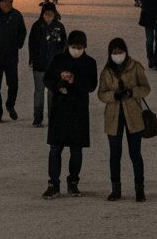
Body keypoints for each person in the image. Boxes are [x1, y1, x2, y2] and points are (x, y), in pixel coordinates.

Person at [43, 30, 98, 198]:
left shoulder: (89, 63)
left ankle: (73, 182)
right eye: (74, 46)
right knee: (55, 149)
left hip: (78, 110)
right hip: (60, 108)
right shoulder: (59, 60)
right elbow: (47, 79)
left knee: (76, 150)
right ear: (68, 46)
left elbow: (92, 85)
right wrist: (59, 84)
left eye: (80, 47)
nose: (77, 50)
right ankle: (53, 183)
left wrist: (75, 81)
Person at [98, 38, 151, 202]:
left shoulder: (135, 67)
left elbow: (146, 88)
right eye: (114, 52)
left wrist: (132, 92)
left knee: (135, 153)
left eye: (120, 52)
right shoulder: (107, 71)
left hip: (133, 115)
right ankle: (116, 189)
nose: (117, 55)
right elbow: (101, 93)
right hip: (113, 116)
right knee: (115, 154)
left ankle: (139, 189)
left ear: (125, 51)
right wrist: (114, 95)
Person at [29, 2, 67, 128]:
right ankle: (37, 118)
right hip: (39, 65)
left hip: (54, 67)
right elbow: (32, 44)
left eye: (51, 13)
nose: (48, 16)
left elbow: (63, 46)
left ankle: (53, 117)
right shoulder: (37, 26)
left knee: (52, 92)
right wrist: (32, 58)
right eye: (46, 13)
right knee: (39, 92)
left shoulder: (59, 27)